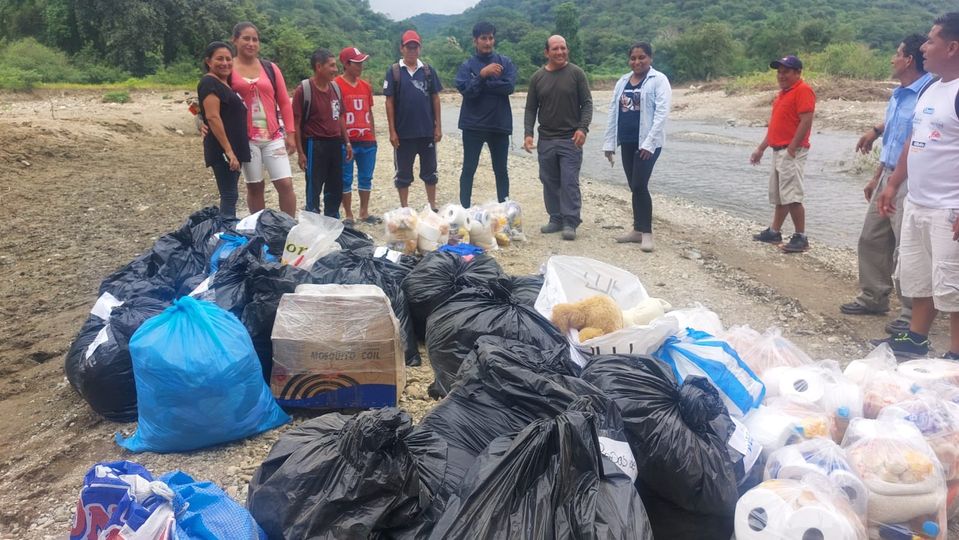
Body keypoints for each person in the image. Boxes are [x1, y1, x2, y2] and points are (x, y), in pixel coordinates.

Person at [839, 34, 934, 337]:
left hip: (911, 179)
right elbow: (894, 137)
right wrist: (877, 176)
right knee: (872, 238)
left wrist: (892, 182)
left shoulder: (929, 93)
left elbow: (915, 142)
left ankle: (911, 313)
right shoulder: (899, 94)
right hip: (889, 175)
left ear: (909, 60)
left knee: (907, 247)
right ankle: (873, 297)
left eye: (897, 54)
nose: (892, 59)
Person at [876, 12, 959, 359]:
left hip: (949, 207)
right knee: (920, 275)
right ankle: (916, 339)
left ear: (952, 47)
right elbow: (915, 138)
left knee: (952, 283)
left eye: (931, 40)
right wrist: (893, 183)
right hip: (918, 201)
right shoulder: (930, 87)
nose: (923, 47)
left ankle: (956, 354)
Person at [602, 42, 672, 252]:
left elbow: (661, 114)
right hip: (627, 140)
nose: (637, 62)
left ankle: (647, 233)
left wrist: (649, 144)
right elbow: (614, 112)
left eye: (642, 57)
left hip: (648, 143)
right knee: (634, 185)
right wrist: (609, 143)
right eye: (633, 58)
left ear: (650, 58)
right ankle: (637, 230)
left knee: (640, 185)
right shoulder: (623, 81)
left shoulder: (659, 80)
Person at [523, 35, 593, 241]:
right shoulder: (537, 78)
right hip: (546, 139)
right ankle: (556, 218)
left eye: (563, 48)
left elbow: (587, 104)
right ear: (547, 52)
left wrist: (583, 128)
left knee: (569, 180)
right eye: (555, 49)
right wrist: (528, 133)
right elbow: (531, 108)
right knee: (549, 180)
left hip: (571, 139)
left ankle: (570, 221)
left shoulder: (576, 74)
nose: (560, 52)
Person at [229, 22, 297, 217]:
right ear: (235, 40)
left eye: (255, 39)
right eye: (246, 38)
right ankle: (259, 227)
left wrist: (291, 133)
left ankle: (287, 226)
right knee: (255, 186)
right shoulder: (228, 68)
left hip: (273, 135)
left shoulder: (270, 68)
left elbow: (284, 102)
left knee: (285, 183)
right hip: (245, 139)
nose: (251, 43)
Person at [750, 55, 816, 253]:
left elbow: (807, 120)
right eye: (779, 72)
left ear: (798, 73)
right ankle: (774, 231)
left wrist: (792, 148)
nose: (781, 75)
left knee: (793, 195)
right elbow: (775, 126)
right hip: (778, 149)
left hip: (791, 150)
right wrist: (761, 148)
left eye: (786, 72)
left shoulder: (803, 90)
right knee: (780, 195)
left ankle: (800, 237)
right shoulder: (782, 94)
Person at [455, 21, 517, 208]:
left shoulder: (505, 63)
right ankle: (464, 210)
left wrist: (481, 81)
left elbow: (509, 87)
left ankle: (504, 210)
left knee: (501, 171)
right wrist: (482, 75)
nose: (488, 42)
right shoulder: (467, 66)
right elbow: (467, 91)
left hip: (499, 125)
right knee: (469, 169)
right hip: (473, 126)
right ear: (475, 40)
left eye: (491, 38)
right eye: (483, 38)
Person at [384, 30, 443, 210]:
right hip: (403, 134)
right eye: (408, 47)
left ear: (420, 48)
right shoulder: (394, 71)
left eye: (415, 47)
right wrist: (392, 131)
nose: (412, 50)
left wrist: (438, 127)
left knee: (430, 172)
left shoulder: (428, 71)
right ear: (401, 48)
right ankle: (405, 209)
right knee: (403, 174)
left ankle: (432, 206)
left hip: (426, 132)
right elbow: (389, 102)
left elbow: (435, 98)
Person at [293, 48, 352, 217]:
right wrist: (300, 153)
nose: (336, 69)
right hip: (314, 144)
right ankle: (313, 220)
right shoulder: (304, 90)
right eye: (331, 65)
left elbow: (340, 117)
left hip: (335, 143)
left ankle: (332, 220)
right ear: (319, 67)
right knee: (314, 187)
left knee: (335, 186)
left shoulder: (335, 88)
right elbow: (296, 123)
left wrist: (347, 142)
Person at [197, 42, 250, 219]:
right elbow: (212, 117)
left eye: (228, 59)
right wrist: (229, 151)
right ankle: (225, 230)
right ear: (208, 61)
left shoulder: (225, 83)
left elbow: (200, 111)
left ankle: (226, 228)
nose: (225, 63)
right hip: (223, 149)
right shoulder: (209, 82)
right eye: (219, 59)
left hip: (233, 147)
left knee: (231, 194)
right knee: (229, 195)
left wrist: (198, 121)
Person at [335, 46, 379, 225]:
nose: (361, 66)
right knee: (345, 177)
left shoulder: (366, 86)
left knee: (366, 176)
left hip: (367, 140)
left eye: (362, 63)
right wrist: (344, 140)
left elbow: (369, 111)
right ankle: (348, 214)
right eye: (357, 63)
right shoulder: (336, 85)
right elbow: (338, 115)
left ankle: (364, 211)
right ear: (346, 64)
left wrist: (373, 136)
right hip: (346, 141)